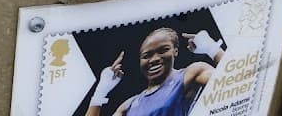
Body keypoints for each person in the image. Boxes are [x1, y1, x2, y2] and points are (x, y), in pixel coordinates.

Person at [86, 27, 224, 116]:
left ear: (175, 51)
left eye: (163, 50)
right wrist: (100, 93)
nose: (154, 59)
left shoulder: (190, 73)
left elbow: (236, 80)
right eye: (147, 56)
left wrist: (213, 49)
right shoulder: (129, 105)